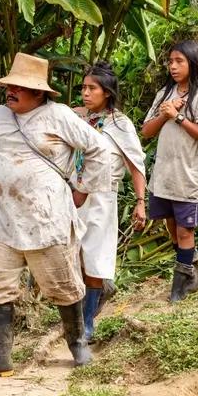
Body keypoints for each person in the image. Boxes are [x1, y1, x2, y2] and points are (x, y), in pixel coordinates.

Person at [0, 53, 111, 378]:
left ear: (39, 93)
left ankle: (77, 346)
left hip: (47, 220)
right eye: (10, 86)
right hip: (2, 220)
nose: (11, 91)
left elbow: (98, 149)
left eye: (20, 87)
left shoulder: (58, 116)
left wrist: (83, 188)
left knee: (63, 286)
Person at [73, 61, 147, 341]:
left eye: (92, 88)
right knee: (77, 255)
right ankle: (83, 310)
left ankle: (87, 322)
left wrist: (140, 202)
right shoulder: (78, 118)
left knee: (94, 257)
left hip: (102, 198)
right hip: (75, 195)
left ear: (107, 92)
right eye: (83, 87)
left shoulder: (120, 124)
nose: (85, 93)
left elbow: (135, 164)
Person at [140, 40, 198, 303]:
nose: (173, 66)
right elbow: (146, 131)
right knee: (172, 226)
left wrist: (179, 117)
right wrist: (165, 113)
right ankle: (191, 269)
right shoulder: (164, 93)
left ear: (192, 63)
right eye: (170, 61)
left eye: (179, 61)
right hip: (163, 175)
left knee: (185, 231)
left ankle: (179, 287)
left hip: (187, 176)